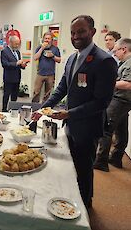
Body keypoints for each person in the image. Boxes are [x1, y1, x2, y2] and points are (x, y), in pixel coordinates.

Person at [32, 15, 117, 209]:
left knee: (84, 169)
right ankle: (71, 199)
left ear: (92, 32)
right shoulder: (72, 58)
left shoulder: (104, 61)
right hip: (71, 123)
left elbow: (102, 102)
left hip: (88, 126)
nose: (76, 36)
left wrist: (69, 113)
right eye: (72, 33)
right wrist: (43, 108)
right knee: (71, 166)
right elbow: (62, 88)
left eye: (81, 31)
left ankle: (86, 206)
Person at [94, 38, 131, 171]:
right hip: (123, 101)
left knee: (106, 130)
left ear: (124, 49)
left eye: (116, 51)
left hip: (120, 100)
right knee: (121, 130)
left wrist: (108, 83)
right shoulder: (125, 62)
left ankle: (100, 162)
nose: (115, 54)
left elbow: (128, 84)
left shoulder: (130, 63)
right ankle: (116, 158)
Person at [31, 32, 61, 103]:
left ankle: (45, 108)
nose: (47, 40)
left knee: (47, 94)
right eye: (46, 38)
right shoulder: (39, 47)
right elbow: (35, 58)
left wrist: (52, 56)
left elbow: (59, 60)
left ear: (52, 40)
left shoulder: (55, 49)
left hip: (50, 74)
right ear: (43, 39)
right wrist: (42, 48)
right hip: (40, 74)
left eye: (49, 39)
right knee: (36, 92)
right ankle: (34, 107)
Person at [1, 35, 27, 112]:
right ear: (10, 42)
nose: (17, 45)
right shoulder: (4, 52)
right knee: (6, 95)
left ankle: (13, 109)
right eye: (16, 44)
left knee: (15, 95)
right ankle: (4, 109)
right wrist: (16, 63)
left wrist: (22, 65)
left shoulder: (17, 52)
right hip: (9, 78)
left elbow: (19, 64)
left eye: (18, 44)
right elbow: (5, 64)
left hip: (17, 77)